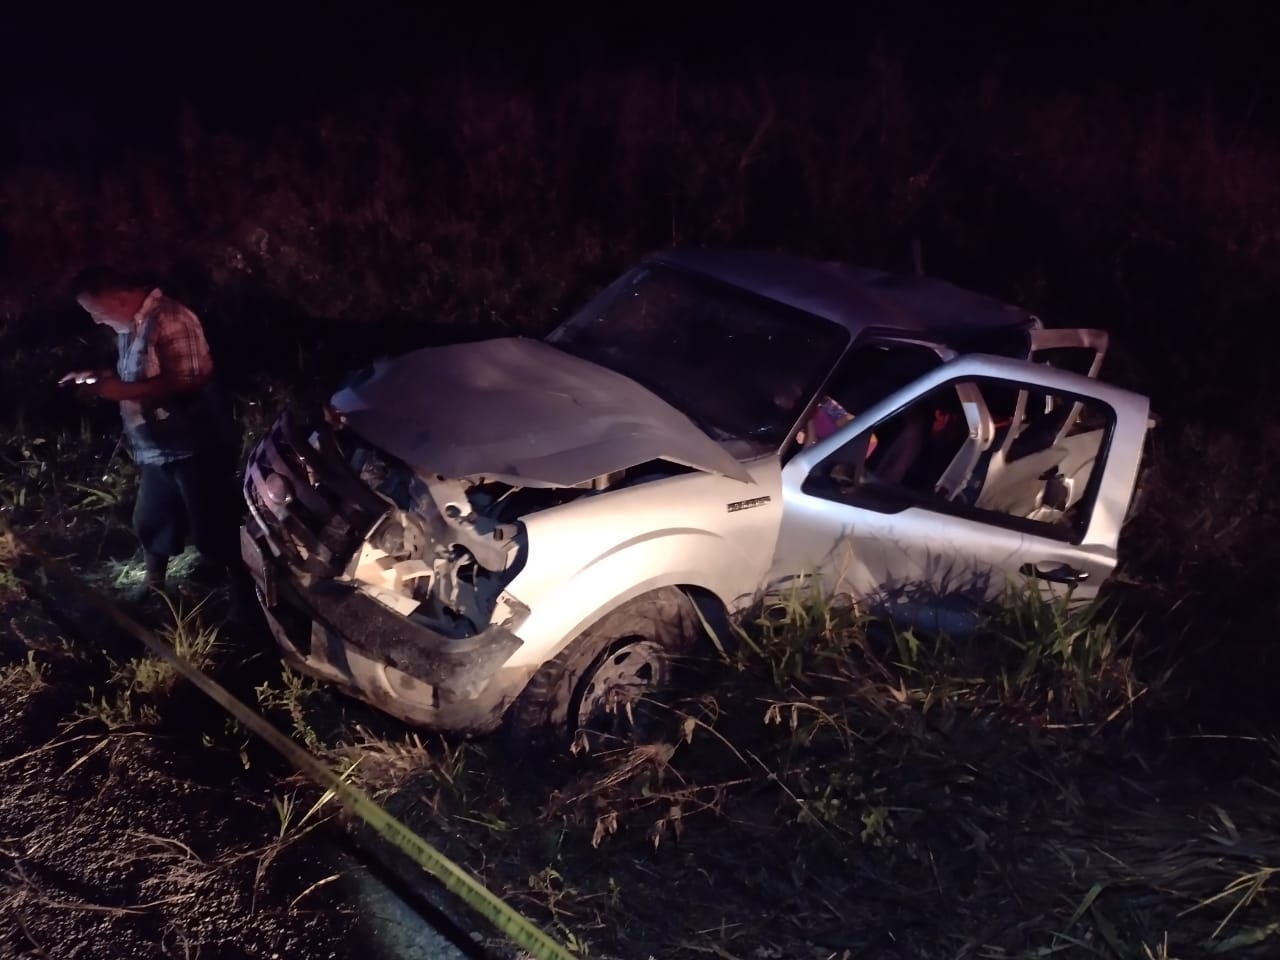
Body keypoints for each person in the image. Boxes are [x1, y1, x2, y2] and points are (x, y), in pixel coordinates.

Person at [60, 266, 254, 618]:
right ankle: (154, 584)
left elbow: (189, 379)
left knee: (215, 526)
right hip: (156, 448)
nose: (95, 320)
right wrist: (99, 379)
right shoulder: (130, 326)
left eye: (95, 310)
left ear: (118, 298)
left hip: (195, 444)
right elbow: (135, 374)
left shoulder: (172, 318)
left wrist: (124, 391)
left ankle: (247, 599)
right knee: (152, 518)